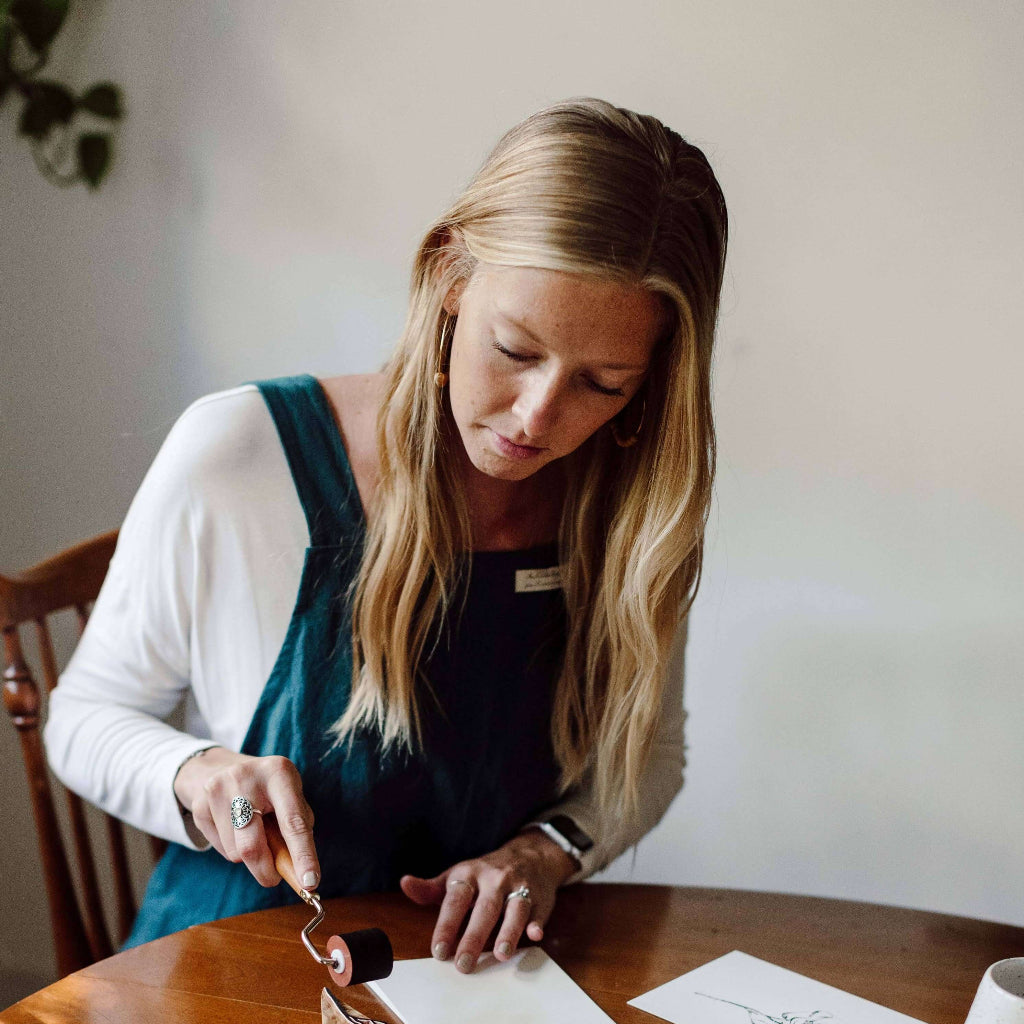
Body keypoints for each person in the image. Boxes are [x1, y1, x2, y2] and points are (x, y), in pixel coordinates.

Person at [44, 97, 728, 972]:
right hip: (226, 964)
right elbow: (85, 719)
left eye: (603, 383)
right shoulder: (245, 454)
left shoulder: (637, 510)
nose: (536, 417)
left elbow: (651, 756)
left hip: (477, 979)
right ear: (449, 276)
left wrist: (548, 850)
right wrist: (199, 775)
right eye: (515, 350)